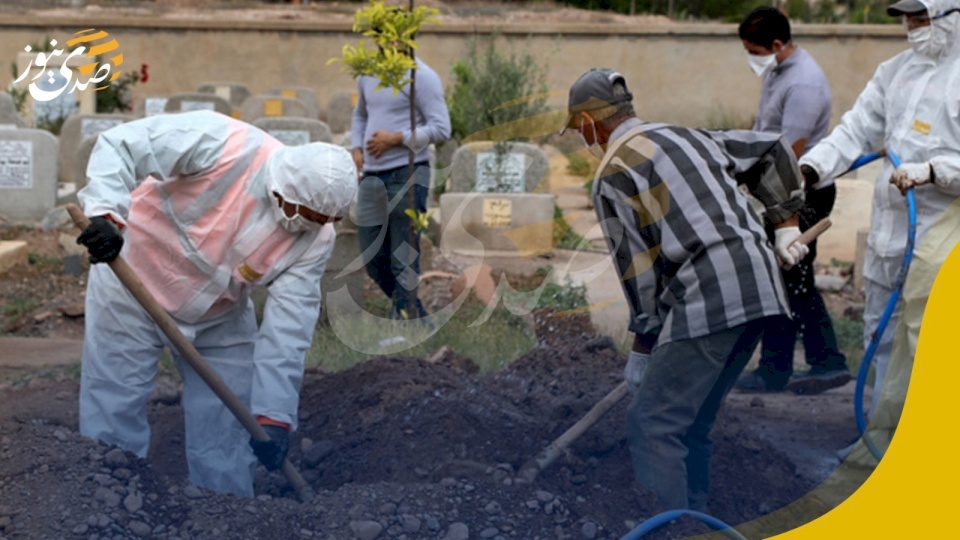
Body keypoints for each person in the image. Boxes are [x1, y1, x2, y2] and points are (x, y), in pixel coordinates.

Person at [75, 110, 358, 497]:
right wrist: (106, 215)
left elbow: (288, 328)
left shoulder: (316, 238)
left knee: (227, 425)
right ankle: (108, 503)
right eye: (297, 212)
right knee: (113, 403)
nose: (301, 226)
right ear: (281, 187)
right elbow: (122, 144)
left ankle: (223, 514)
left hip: (218, 312)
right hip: (133, 280)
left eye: (318, 220)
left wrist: (275, 417)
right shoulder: (224, 143)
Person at [563, 68, 807, 511]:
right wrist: (785, 225)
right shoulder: (690, 136)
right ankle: (694, 520)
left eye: (580, 129)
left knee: (654, 423)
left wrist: (642, 347)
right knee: (691, 422)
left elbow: (639, 272)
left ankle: (668, 527)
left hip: (711, 293)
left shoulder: (613, 172)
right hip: (763, 288)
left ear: (589, 122)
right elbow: (772, 147)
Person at [798, 0, 960, 420]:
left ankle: (923, 447)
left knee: (930, 345)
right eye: (908, 18)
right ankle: (874, 440)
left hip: (943, 234)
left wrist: (934, 170)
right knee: (880, 336)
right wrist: (812, 167)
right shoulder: (895, 71)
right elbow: (855, 129)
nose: (913, 27)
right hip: (890, 229)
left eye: (922, 17)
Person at [735, 6, 852, 395]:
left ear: (777, 44)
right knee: (789, 281)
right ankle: (821, 362)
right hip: (779, 187)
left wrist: (755, 188)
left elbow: (789, 151)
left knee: (788, 279)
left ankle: (781, 369)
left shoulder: (803, 83)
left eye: (755, 52)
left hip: (801, 191)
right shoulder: (780, 71)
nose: (752, 59)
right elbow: (763, 130)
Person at [351, 53, 451, 321]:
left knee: (403, 259)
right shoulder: (368, 74)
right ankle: (415, 316)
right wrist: (357, 146)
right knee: (373, 259)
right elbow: (361, 113)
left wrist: (398, 139)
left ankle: (404, 324)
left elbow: (442, 128)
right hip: (371, 176)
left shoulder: (422, 76)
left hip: (407, 173)